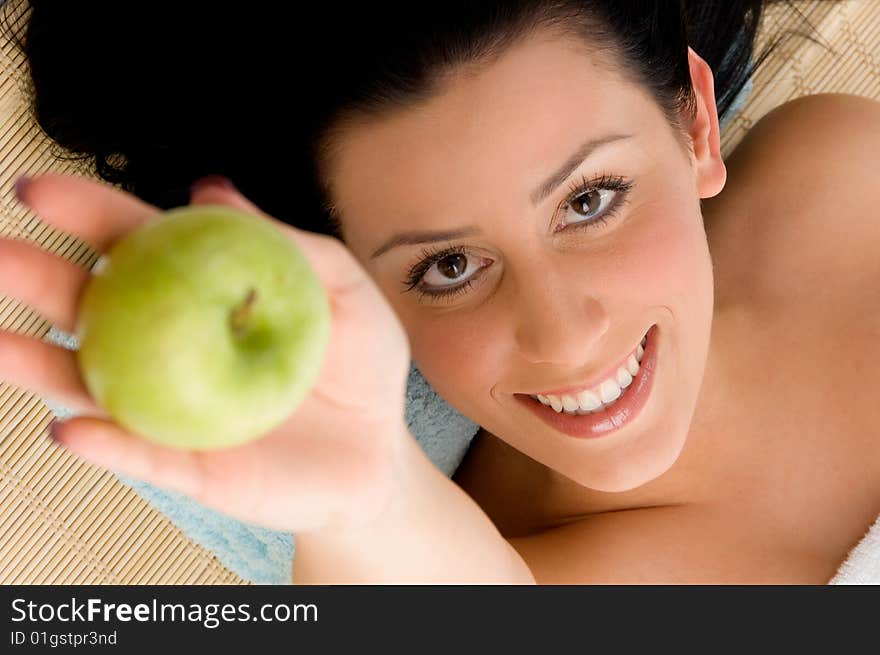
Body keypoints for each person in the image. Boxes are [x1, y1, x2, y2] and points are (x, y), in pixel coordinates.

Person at [2, 0, 878, 583]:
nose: (564, 338)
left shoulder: (841, 175)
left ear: (694, 124)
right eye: (449, 267)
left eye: (590, 199)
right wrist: (364, 500)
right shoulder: (491, 563)